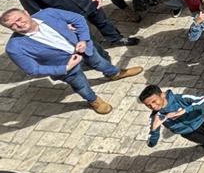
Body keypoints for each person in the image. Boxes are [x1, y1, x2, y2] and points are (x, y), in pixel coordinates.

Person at [2, 7, 143, 114]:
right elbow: (32, 69)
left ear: (26, 13)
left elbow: (78, 19)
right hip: (64, 67)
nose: (19, 25)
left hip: (83, 48)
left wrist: (83, 39)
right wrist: (65, 67)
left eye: (19, 19)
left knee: (100, 62)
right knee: (81, 85)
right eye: (12, 25)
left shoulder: (48, 13)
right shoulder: (14, 47)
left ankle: (115, 74)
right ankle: (93, 101)